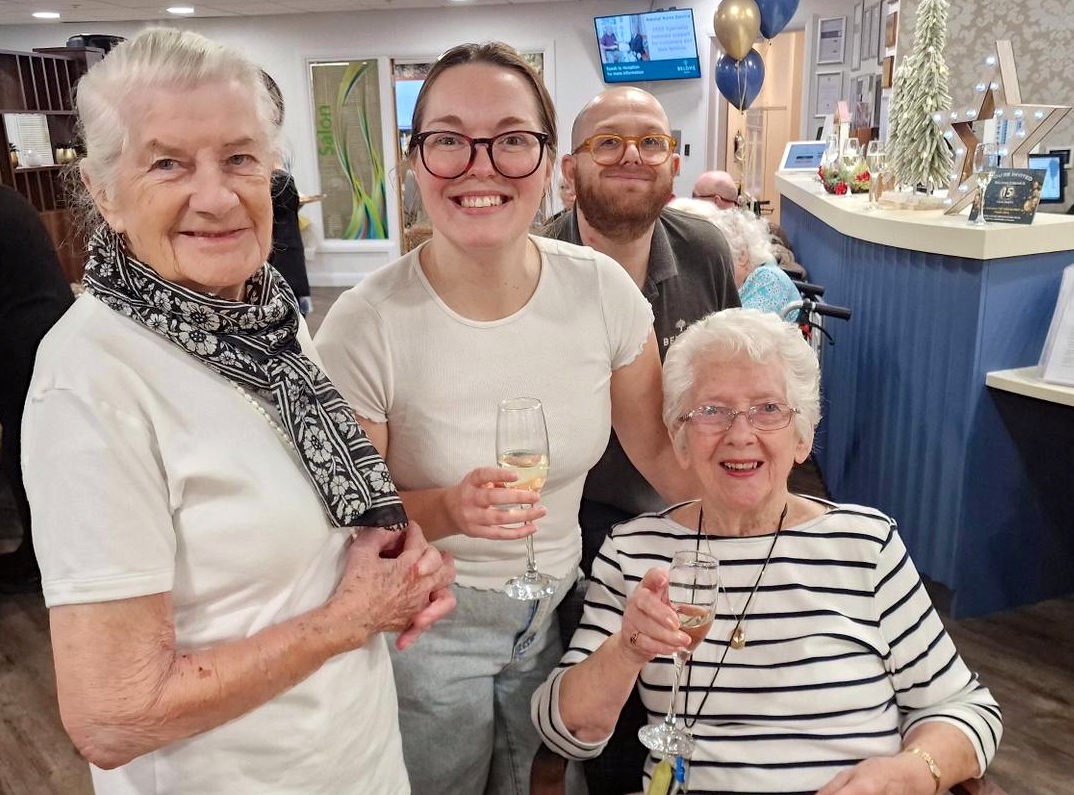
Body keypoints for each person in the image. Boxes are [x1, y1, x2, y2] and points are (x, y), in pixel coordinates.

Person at [21, 28, 455, 794]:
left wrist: (391, 546)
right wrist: (351, 618)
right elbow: (113, 716)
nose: (217, 196)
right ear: (103, 193)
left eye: (240, 158)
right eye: (168, 163)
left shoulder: (266, 315)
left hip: (355, 758)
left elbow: (312, 513)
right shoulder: (91, 380)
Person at [315, 43, 695, 795]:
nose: (479, 166)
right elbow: (349, 522)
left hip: (556, 610)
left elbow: (655, 444)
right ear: (414, 162)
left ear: (550, 161)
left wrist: (761, 515)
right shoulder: (366, 323)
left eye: (512, 140)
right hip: (426, 624)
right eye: (449, 139)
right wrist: (451, 507)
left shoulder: (604, 294)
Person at [533, 308, 1003, 794]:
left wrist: (913, 772)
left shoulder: (866, 544)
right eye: (712, 411)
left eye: (768, 409)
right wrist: (627, 648)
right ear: (680, 440)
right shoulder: (635, 552)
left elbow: (966, 708)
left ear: (803, 437)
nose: (741, 434)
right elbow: (562, 729)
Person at [542, 86, 739, 576]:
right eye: (607, 142)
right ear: (570, 171)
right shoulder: (533, 268)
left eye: (652, 143)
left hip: (686, 502)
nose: (632, 156)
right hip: (567, 521)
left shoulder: (704, 252)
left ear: (673, 166)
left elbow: (734, 385)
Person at [0, 185, 73, 594]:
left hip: (26, 339)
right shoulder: (9, 200)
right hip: (44, 332)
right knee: (28, 447)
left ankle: (41, 557)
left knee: (24, 451)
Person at [670, 199, 802, 315]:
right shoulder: (744, 285)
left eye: (718, 259)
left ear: (742, 255)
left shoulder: (769, 279)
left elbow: (737, 335)